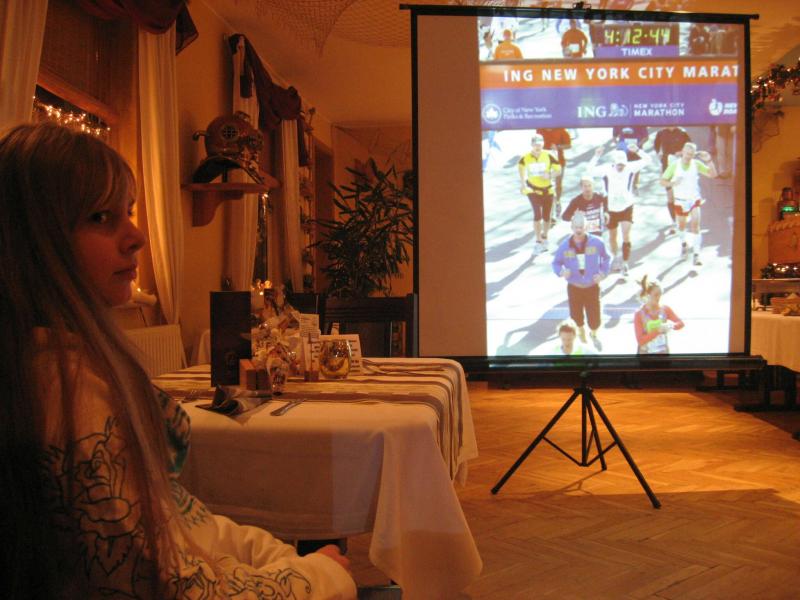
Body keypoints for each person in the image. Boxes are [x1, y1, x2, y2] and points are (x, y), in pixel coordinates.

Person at [0, 122, 356, 599]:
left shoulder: (70, 363)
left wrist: (286, 562)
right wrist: (322, 577)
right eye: (101, 217)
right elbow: (171, 585)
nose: (136, 236)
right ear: (33, 239)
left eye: (128, 212)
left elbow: (179, 520)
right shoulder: (66, 392)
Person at [587, 145, 650, 276]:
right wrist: (596, 156)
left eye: (622, 164)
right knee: (613, 236)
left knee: (626, 234)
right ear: (613, 163)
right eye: (618, 165)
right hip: (610, 208)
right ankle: (615, 258)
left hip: (627, 206)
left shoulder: (631, 167)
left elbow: (648, 160)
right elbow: (590, 170)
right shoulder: (606, 169)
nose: (621, 167)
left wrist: (638, 151)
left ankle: (625, 263)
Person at [552, 212, 611, 351]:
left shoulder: (597, 242)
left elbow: (607, 258)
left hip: (592, 286)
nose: (579, 230)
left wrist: (603, 273)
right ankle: (582, 333)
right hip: (574, 287)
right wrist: (561, 272)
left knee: (595, 319)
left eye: (581, 227)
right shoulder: (564, 245)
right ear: (571, 227)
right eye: (576, 227)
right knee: (576, 317)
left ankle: (593, 333)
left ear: (587, 227)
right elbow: (555, 263)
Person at [659, 142, 717, 266]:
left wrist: (709, 161)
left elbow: (712, 175)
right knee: (681, 226)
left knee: (696, 226)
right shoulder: (674, 165)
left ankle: (696, 255)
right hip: (680, 200)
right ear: (682, 152)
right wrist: (673, 183)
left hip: (694, 200)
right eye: (686, 153)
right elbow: (662, 181)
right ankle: (684, 244)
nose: (688, 156)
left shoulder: (696, 164)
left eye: (691, 154)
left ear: (693, 154)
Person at [519, 133, 562, 254]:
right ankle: (538, 242)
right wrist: (522, 184)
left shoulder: (549, 155)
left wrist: (550, 175)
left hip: (548, 190)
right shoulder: (525, 157)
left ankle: (545, 237)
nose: (537, 147)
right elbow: (521, 168)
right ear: (531, 145)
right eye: (535, 145)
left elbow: (558, 170)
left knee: (547, 217)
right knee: (537, 215)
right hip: (533, 190)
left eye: (540, 145)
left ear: (543, 144)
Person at [653, 126, 692, 232]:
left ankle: (682, 218)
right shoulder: (661, 133)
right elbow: (656, 146)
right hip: (667, 167)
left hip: (681, 168)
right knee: (671, 197)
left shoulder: (682, 132)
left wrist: (682, 153)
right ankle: (674, 222)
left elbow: (691, 149)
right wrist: (660, 155)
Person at [634, 276, 684, 354]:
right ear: (647, 295)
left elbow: (681, 323)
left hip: (663, 353)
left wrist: (671, 326)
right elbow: (640, 341)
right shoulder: (639, 314)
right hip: (646, 354)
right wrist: (658, 331)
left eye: (660, 294)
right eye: (656, 295)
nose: (659, 298)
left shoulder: (665, 309)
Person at [540, 127, 572, 224]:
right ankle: (551, 215)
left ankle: (557, 201)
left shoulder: (560, 129)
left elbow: (568, 145)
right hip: (544, 163)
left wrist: (558, 147)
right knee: (547, 188)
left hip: (559, 162)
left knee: (558, 185)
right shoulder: (540, 129)